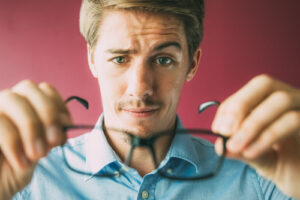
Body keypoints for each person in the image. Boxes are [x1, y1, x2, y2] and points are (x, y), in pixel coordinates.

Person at [0, 0, 299, 199]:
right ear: (92, 59)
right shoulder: (27, 181)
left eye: (164, 60)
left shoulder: (262, 179)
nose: (140, 87)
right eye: (120, 59)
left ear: (191, 63)